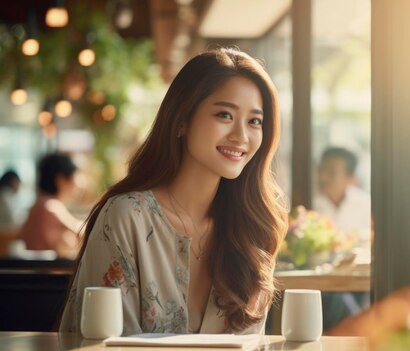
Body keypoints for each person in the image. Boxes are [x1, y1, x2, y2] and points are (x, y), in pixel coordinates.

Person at [59, 48, 288, 336]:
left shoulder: (252, 229)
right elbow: (103, 342)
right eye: (225, 115)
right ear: (182, 120)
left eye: (255, 121)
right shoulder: (127, 217)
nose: (241, 136)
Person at [20, 154, 83, 258]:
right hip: (45, 271)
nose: (79, 185)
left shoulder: (40, 204)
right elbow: (83, 232)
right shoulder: (50, 206)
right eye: (75, 178)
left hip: (37, 270)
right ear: (61, 180)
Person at [313, 147, 371, 246]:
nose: (323, 176)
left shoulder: (364, 203)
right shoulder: (308, 201)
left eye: (331, 172)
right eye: (321, 170)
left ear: (350, 178)